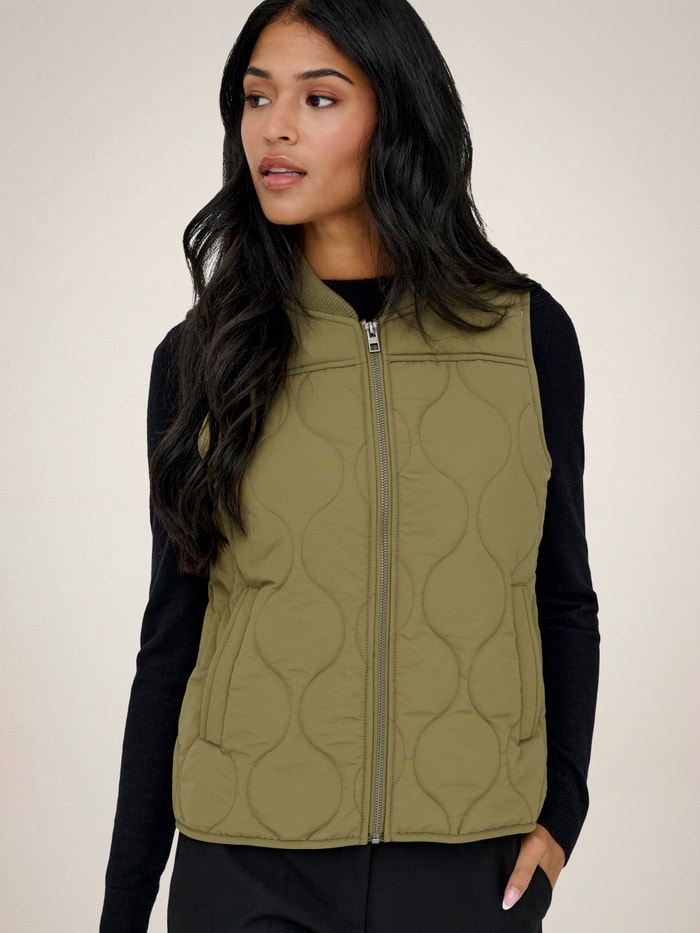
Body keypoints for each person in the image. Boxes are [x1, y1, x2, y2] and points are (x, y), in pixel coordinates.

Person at [100, 0, 599, 930]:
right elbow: (173, 634)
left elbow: (560, 595)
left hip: (467, 867)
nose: (275, 128)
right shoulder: (204, 356)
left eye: (319, 98)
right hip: (245, 867)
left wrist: (561, 813)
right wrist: (124, 904)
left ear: (397, 113)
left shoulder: (526, 337)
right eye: (257, 98)